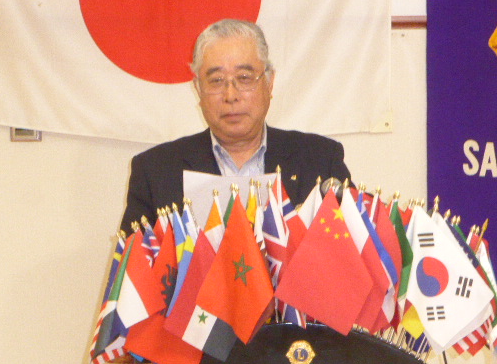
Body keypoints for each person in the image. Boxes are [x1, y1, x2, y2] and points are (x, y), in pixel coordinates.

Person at [120, 19, 351, 233]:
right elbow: (134, 261)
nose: (231, 95)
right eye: (216, 81)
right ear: (198, 89)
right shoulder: (155, 172)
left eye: (244, 78)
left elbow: (352, 252)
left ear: (269, 83)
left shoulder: (320, 160)